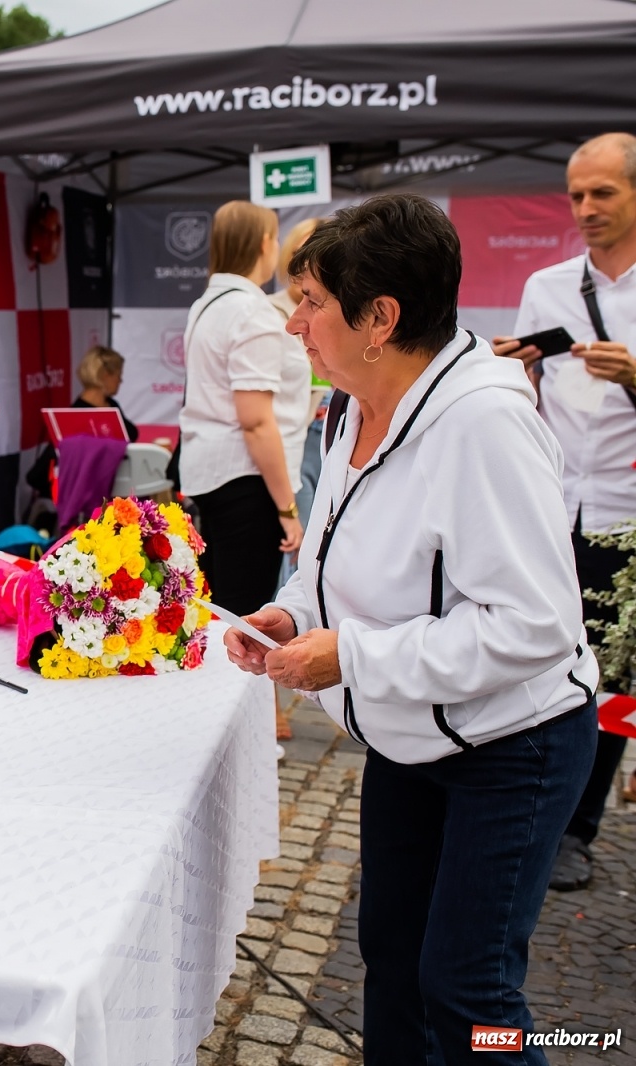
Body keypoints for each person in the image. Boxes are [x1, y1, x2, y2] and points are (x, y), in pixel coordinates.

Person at [227, 195, 599, 1065]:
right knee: (391, 962)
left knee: (470, 992)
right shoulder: (354, 402)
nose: (295, 326)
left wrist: (349, 654)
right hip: (410, 739)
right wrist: (292, 613)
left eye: (313, 302)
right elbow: (328, 556)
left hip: (516, 745)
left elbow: (536, 625)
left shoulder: (484, 423)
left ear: (380, 319)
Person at [493, 131, 636, 892]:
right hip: (551, 506)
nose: (585, 208)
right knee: (542, 657)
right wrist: (519, 375)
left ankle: (580, 828)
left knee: (614, 674)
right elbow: (527, 406)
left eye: (603, 193)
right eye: (576, 194)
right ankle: (531, 804)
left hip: (627, 508)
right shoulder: (549, 286)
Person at [179, 201, 312, 616]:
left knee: (221, 610)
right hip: (247, 479)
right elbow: (255, 421)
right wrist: (287, 509)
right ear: (264, 243)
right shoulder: (250, 310)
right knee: (243, 617)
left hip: (215, 473)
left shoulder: (208, 303)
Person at [270, 218, 331, 532]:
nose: (305, 261)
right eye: (299, 251)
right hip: (294, 436)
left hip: (336, 427)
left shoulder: (340, 306)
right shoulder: (267, 311)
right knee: (303, 536)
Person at [25, 345, 139, 501]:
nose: (121, 381)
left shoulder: (110, 406)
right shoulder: (73, 420)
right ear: (105, 376)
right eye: (118, 375)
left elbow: (131, 433)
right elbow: (38, 475)